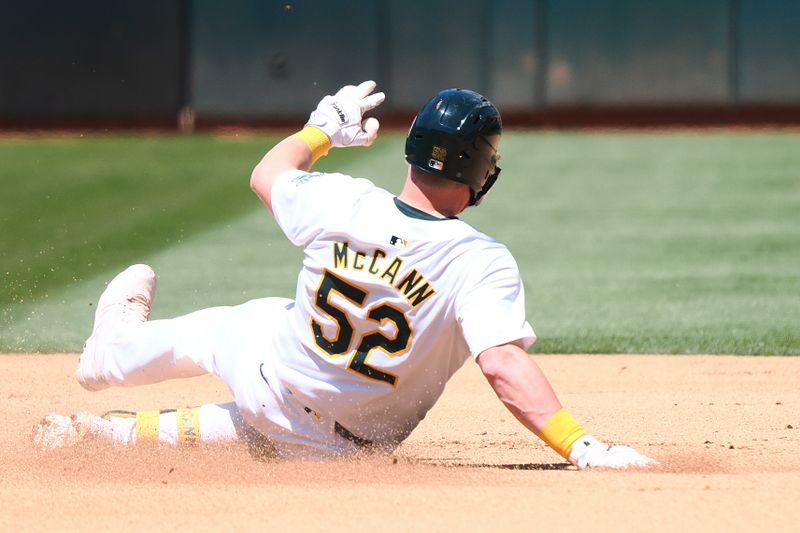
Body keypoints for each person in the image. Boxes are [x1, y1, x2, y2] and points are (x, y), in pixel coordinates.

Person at [34, 81, 655, 469]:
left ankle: (104, 372)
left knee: (233, 326)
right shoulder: (480, 260)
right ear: (480, 170)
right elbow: (502, 364)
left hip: (270, 385)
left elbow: (266, 173)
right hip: (346, 449)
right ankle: (90, 429)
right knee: (270, 420)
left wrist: (320, 131)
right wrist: (579, 444)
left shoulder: (343, 202)